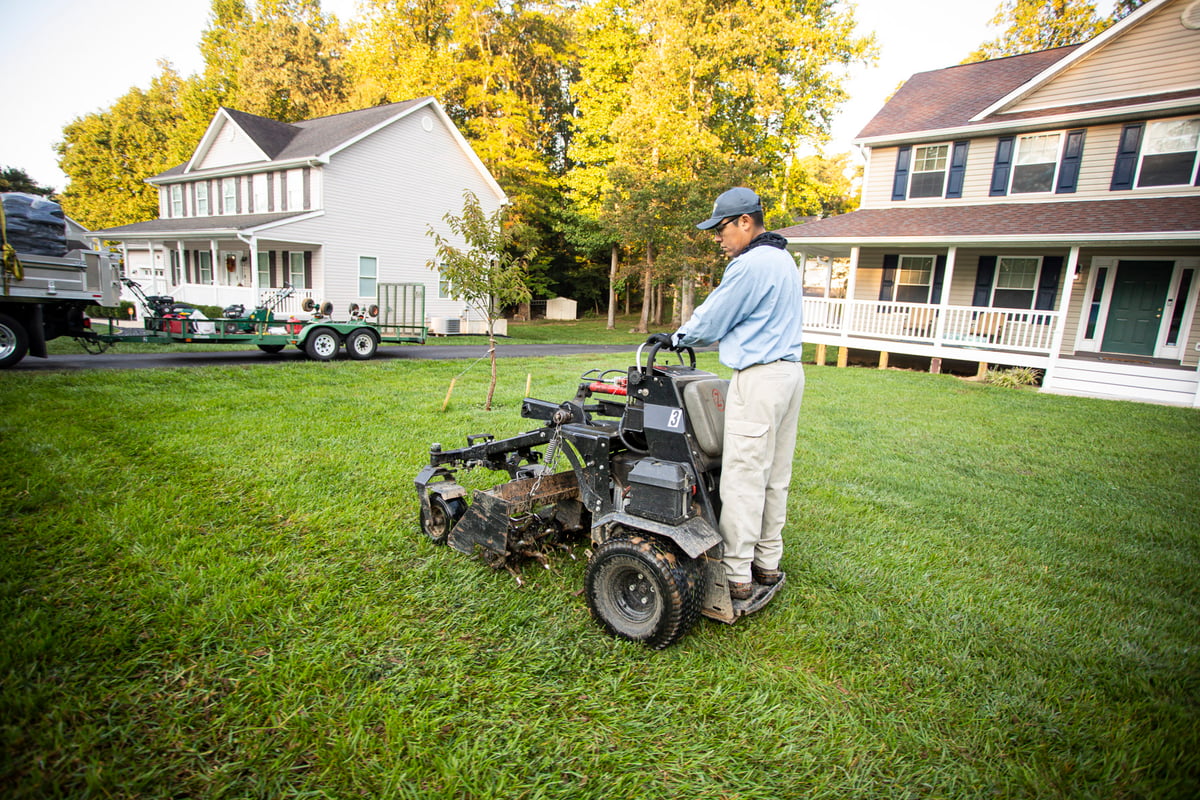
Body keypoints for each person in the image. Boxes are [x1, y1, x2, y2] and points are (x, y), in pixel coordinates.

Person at [658, 187, 805, 601]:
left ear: (745, 221)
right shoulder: (783, 260)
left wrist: (676, 337)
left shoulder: (751, 265)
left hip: (758, 378)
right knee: (775, 475)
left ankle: (737, 574)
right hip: (790, 375)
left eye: (721, 229)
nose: (718, 238)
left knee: (742, 476)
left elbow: (714, 317)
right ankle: (767, 563)